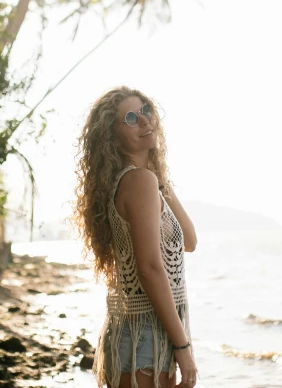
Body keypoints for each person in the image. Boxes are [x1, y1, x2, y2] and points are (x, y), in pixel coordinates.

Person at [71, 86, 199, 388]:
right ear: (112, 135)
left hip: (141, 334)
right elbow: (150, 268)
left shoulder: (143, 180)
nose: (145, 121)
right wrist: (183, 349)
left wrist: (160, 178)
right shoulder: (138, 181)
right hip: (147, 338)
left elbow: (190, 241)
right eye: (130, 117)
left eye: (146, 111)